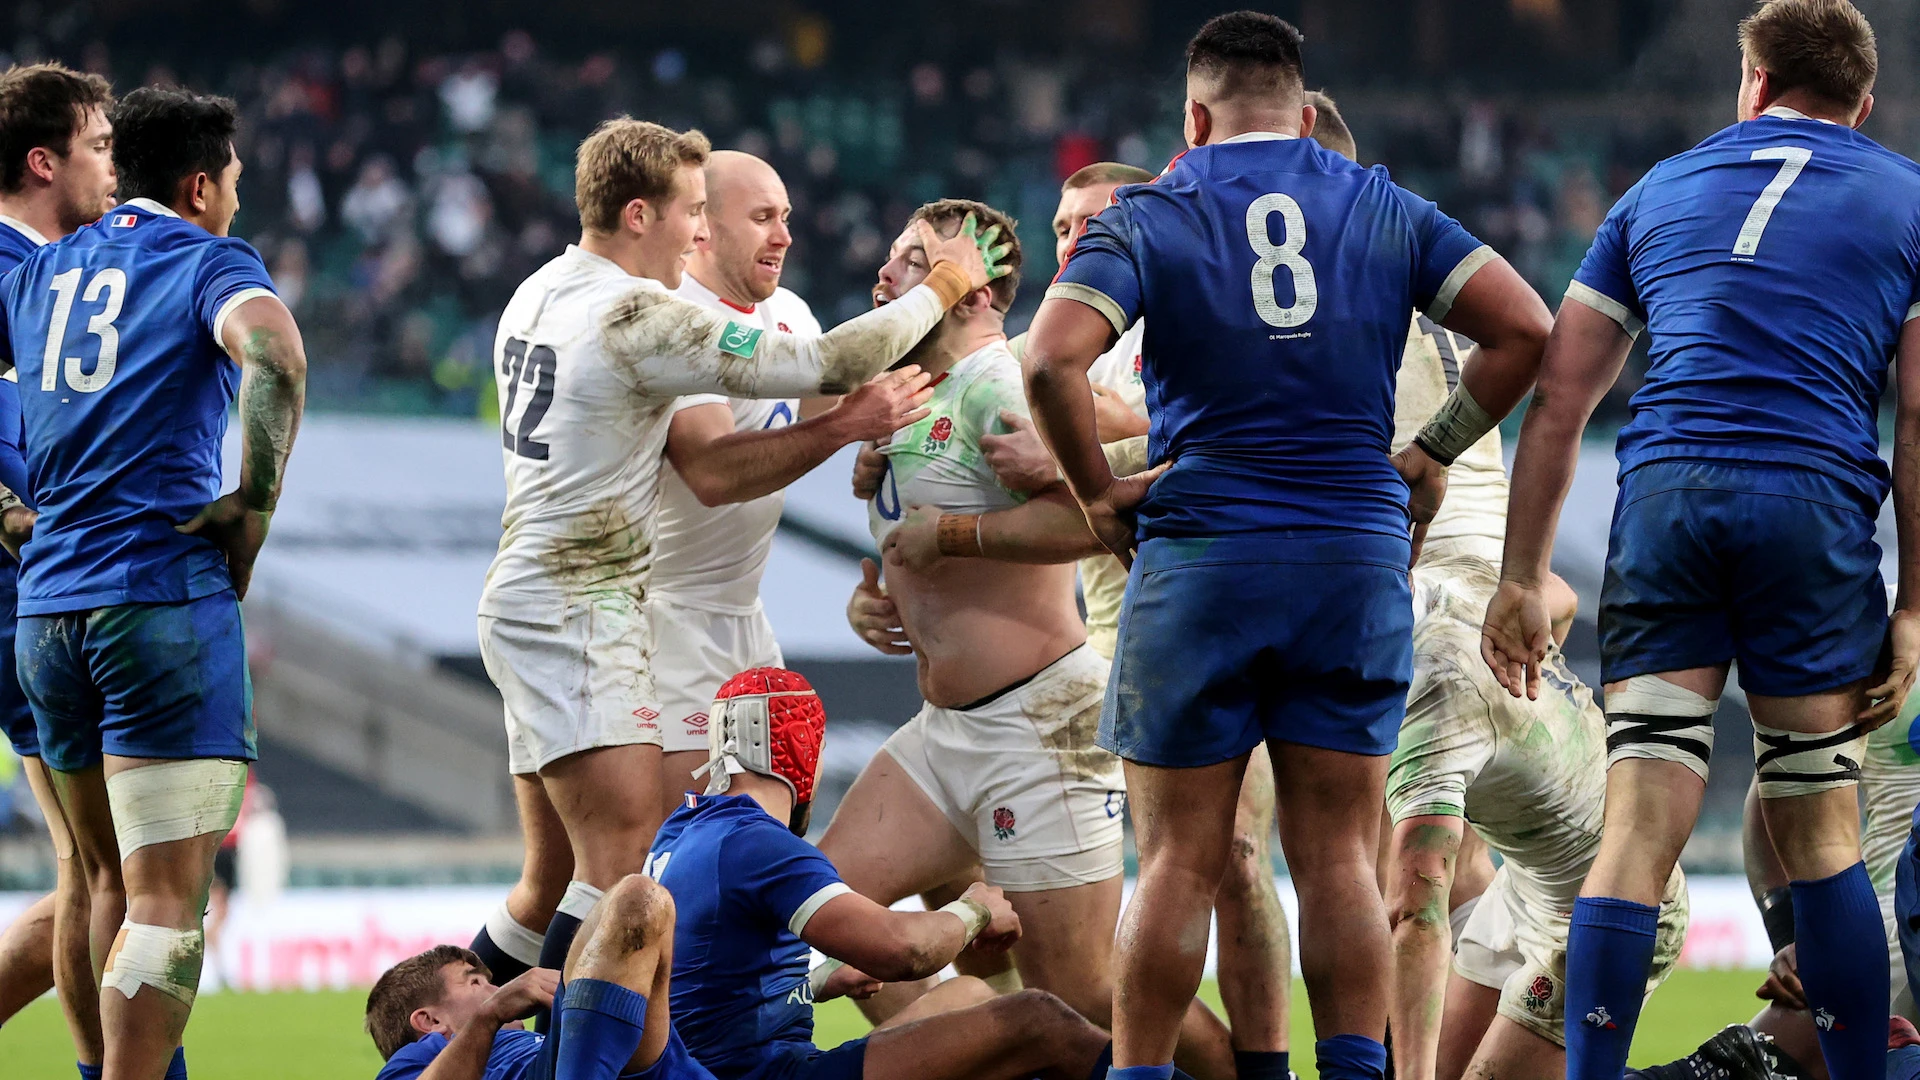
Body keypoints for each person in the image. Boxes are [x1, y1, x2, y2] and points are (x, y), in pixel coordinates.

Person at [1021, 12, 1552, 1080]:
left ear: (1194, 116)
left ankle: (1140, 1076)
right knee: (1339, 862)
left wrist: (1096, 496)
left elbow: (1048, 365)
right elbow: (1527, 330)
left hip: (1204, 553)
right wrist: (1430, 452)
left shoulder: (1158, 210)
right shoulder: (1383, 204)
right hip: (1352, 560)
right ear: (1306, 113)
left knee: (1178, 857)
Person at [1481, 4, 1920, 1080]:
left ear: (1754, 84)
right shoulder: (1908, 196)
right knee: (1820, 829)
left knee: (1638, 828)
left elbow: (1560, 399)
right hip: (1811, 501)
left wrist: (1522, 578)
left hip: (1668, 493)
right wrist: (1913, 607)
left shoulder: (1658, 189)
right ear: (1862, 106)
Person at [474, 116, 1007, 984]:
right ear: (650, 216)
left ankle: (466, 1041)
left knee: (564, 881)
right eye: (707, 211)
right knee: (632, 874)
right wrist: (945, 286)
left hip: (629, 604)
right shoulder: (647, 317)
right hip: (624, 613)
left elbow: (836, 387)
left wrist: (868, 447)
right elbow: (740, 451)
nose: (780, 234)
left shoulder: (544, 288)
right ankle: (539, 1050)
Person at [823, 196, 1234, 1078]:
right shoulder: (908, 401)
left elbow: (1097, 523)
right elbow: (908, 560)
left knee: (1087, 990)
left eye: (913, 257)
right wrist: (876, 604)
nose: (885, 275)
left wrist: (954, 540)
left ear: (970, 291)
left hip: (1038, 726)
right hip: (946, 732)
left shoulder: (998, 385)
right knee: (829, 922)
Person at [0, 86, 308, 1080]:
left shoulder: (39, 274)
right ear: (200, 184)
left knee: (97, 881)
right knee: (165, 900)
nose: (236, 201)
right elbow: (276, 355)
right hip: (159, 598)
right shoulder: (206, 259)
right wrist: (250, 513)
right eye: (234, 182)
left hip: (46, 612)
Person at [651, 665, 1131, 1080]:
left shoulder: (679, 833)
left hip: (704, 1067)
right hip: (770, 1072)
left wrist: (814, 985)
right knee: (1037, 1019)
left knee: (965, 996)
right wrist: (975, 909)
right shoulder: (759, 843)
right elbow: (904, 952)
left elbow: (697, 989)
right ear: (802, 753)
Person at [1384, 553, 1692, 1080]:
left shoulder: (1431, 705)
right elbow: (1562, 599)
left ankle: (1709, 1072)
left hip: (1605, 907)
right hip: (1519, 890)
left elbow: (1416, 915)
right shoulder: (1457, 576)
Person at [0, 62, 115, 1069]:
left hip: (42, 588)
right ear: (45, 162)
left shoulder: (54, 274)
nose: (114, 169)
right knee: (104, 868)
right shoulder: (12, 271)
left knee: (98, 863)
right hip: (26, 595)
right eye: (99, 146)